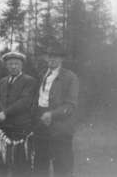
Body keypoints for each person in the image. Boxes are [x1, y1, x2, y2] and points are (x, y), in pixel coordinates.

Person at [32, 44, 79, 177]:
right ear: (46, 58)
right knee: (40, 165)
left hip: (60, 128)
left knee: (62, 168)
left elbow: (71, 105)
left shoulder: (70, 77)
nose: (52, 59)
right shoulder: (41, 75)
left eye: (56, 57)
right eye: (50, 56)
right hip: (41, 126)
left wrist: (52, 114)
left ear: (61, 59)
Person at [0, 51, 37, 177]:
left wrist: (5, 113)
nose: (13, 66)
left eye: (16, 64)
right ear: (6, 66)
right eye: (10, 64)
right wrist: (1, 112)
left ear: (22, 65)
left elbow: (25, 101)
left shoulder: (29, 81)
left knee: (20, 163)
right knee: (1, 160)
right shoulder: (2, 81)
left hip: (20, 127)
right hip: (3, 128)